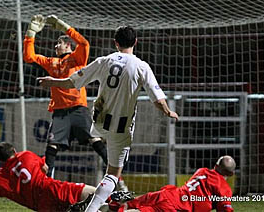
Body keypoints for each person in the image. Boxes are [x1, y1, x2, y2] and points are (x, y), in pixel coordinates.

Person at [37, 25, 179, 212]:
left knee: (98, 146)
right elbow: (158, 99)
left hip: (100, 121)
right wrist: (169, 111)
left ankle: (100, 203)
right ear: (135, 42)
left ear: (115, 43)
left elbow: (73, 81)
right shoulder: (141, 66)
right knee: (112, 174)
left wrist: (51, 82)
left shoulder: (104, 61)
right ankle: (93, 207)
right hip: (121, 127)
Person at [23, 14, 117, 186]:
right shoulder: (51, 62)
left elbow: (84, 43)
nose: (55, 46)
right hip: (60, 113)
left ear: (68, 45)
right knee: (51, 147)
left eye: (59, 43)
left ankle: (116, 177)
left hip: (78, 109)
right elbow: (29, 57)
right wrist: (31, 33)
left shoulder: (77, 59)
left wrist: (63, 26)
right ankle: (46, 184)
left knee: (95, 141)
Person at [0, 141, 96, 212]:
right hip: (52, 189)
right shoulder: (26, 155)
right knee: (97, 193)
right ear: (14, 151)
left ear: (0, 160)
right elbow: (45, 168)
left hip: (41, 206)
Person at [107, 155, 236, 212]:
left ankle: (108, 203)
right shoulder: (224, 187)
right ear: (231, 174)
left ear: (215, 165)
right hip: (175, 208)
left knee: (129, 204)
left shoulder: (201, 171)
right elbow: (225, 209)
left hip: (166, 193)